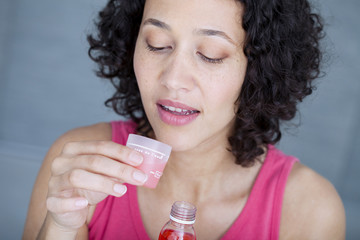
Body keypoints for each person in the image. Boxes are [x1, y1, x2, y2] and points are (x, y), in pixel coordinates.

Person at [23, 0, 346, 239]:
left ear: (260, 70)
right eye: (157, 44)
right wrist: (61, 227)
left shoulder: (310, 210)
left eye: (210, 54)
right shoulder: (79, 163)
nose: (174, 79)